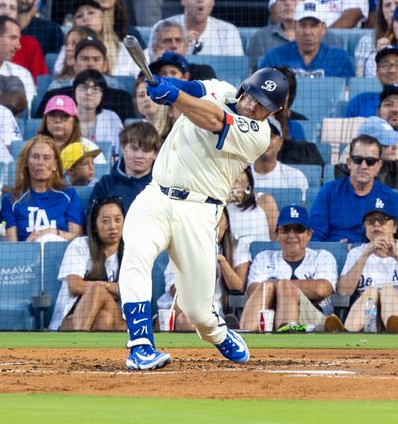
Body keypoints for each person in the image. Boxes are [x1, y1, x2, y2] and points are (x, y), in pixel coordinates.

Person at [116, 67, 288, 370]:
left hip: (199, 211)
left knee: (197, 311)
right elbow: (193, 89)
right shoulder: (222, 89)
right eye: (252, 96)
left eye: (263, 105)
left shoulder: (258, 135)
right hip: (157, 195)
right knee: (135, 256)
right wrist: (167, 86)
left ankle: (218, 333)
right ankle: (140, 346)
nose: (253, 106)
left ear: (274, 111)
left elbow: (212, 119)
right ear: (244, 88)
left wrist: (174, 96)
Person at [335, 197, 398, 333]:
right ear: (365, 228)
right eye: (371, 221)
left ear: (394, 227)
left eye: (382, 220)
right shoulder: (356, 253)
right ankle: (346, 334)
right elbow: (344, 291)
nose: (376, 224)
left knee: (387, 291)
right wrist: (365, 254)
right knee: (371, 293)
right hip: (371, 319)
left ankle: (394, 333)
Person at [240, 205, 338, 333]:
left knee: (282, 286)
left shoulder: (322, 256)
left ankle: (286, 339)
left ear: (309, 234)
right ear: (277, 234)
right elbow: (254, 291)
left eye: (298, 229)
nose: (291, 235)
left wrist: (280, 286)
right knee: (266, 287)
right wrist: (275, 287)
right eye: (285, 230)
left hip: (312, 317)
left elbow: (322, 289)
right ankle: (246, 335)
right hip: (271, 316)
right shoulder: (264, 257)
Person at [48, 196, 125, 332]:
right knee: (104, 318)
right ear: (95, 226)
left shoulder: (131, 252)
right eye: (105, 221)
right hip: (72, 316)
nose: (113, 226)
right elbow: (75, 286)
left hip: (121, 321)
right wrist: (110, 288)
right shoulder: (80, 245)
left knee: (98, 290)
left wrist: (101, 287)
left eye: (117, 220)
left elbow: (130, 291)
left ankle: (76, 342)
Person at [310, 133, 398, 244]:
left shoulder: (390, 197)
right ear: (349, 162)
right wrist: (336, 248)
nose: (363, 166)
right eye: (358, 160)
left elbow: (390, 238)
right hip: (333, 251)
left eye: (370, 161)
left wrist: (359, 250)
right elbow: (316, 236)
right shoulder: (328, 191)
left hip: (373, 252)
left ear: (379, 166)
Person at [1, 136, 83, 242]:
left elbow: (76, 237)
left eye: (46, 158)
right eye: (35, 157)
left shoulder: (69, 195)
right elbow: (12, 246)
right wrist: (27, 246)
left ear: (55, 164)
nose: (40, 162)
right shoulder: (11, 199)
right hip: (27, 251)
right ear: (26, 162)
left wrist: (54, 232)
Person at [150, 0, 244, 57]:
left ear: (213, 0)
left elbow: (236, 70)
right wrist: (180, 44)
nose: (200, 0)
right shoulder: (162, 28)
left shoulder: (229, 32)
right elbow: (150, 64)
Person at [258, 0, 353, 78]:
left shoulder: (339, 59)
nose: (307, 32)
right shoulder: (274, 58)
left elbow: (348, 92)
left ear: (323, 28)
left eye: (314, 26)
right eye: (303, 25)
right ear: (294, 27)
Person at [89, 121, 159, 213]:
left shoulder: (163, 186)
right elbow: (92, 219)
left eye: (146, 150)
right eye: (134, 149)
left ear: (155, 154)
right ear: (123, 148)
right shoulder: (105, 185)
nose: (139, 155)